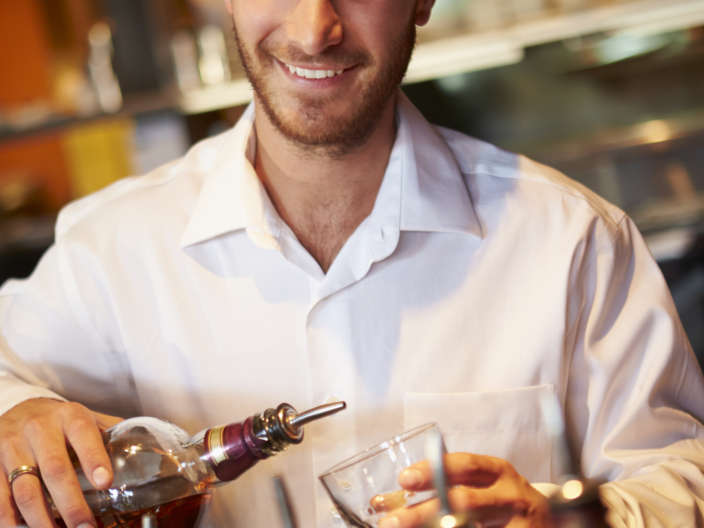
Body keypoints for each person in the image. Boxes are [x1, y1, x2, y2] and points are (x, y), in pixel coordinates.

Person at [1, 0, 703, 526]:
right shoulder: (111, 248)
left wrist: (567, 517)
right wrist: (16, 416)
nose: (315, 29)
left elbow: (683, 480)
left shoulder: (574, 241)